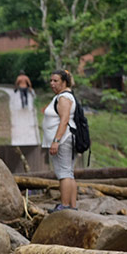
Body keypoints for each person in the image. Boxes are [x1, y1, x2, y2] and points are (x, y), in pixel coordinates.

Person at [42, 69, 77, 212]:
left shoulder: (63, 98)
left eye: (55, 81)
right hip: (66, 138)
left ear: (64, 82)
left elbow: (64, 120)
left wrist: (56, 140)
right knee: (68, 172)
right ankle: (72, 206)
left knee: (64, 173)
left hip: (63, 139)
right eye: (51, 80)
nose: (52, 83)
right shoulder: (64, 96)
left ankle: (65, 205)